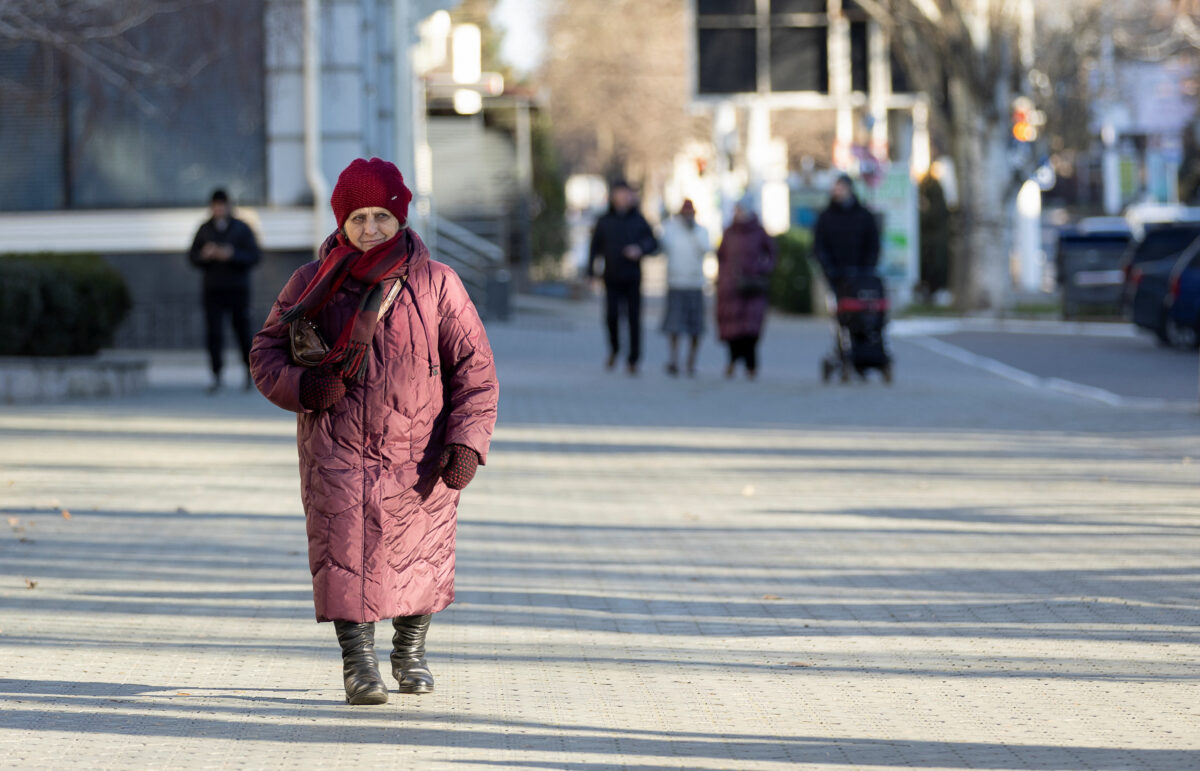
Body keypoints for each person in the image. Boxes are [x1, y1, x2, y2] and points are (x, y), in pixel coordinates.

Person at [249, 158, 498, 706]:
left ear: (400, 218)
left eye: (380, 217)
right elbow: (265, 354)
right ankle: (358, 666)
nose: (369, 229)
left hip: (419, 450)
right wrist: (305, 388)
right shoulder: (309, 283)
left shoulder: (436, 283)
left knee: (420, 553)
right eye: (357, 218)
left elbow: (475, 370)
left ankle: (410, 651)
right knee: (343, 553)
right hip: (335, 448)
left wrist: (465, 443)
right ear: (341, 222)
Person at [189, 189, 262, 393]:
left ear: (229, 206)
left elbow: (254, 256)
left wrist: (232, 255)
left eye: (222, 205)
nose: (219, 209)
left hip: (237, 289)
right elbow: (192, 257)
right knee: (214, 333)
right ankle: (216, 374)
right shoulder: (204, 229)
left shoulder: (241, 228)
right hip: (213, 289)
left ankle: (249, 373)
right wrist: (205, 255)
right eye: (216, 205)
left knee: (242, 332)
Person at [588, 180, 658, 375]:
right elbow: (594, 247)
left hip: (633, 277)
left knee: (634, 319)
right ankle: (614, 348)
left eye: (625, 194)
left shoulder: (638, 219)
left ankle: (633, 359)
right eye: (619, 193)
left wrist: (640, 249)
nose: (622, 197)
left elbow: (653, 242)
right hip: (611, 276)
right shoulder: (604, 220)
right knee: (611, 316)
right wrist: (590, 273)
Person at [715, 197, 777, 380]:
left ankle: (751, 365)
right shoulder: (729, 232)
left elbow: (772, 254)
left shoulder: (759, 232)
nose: (738, 213)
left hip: (753, 286)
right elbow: (721, 256)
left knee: (750, 329)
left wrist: (761, 269)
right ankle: (732, 361)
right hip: (731, 286)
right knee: (731, 328)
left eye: (740, 210)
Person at [659, 199, 710, 376]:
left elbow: (706, 249)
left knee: (695, 327)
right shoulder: (670, 230)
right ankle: (674, 359)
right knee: (674, 325)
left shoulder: (701, 231)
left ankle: (691, 361)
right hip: (676, 282)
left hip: (695, 283)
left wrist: (693, 231)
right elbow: (661, 247)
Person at [813, 174, 880, 285]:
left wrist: (867, 267)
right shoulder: (825, 217)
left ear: (849, 189)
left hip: (861, 275)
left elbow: (873, 243)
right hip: (834, 276)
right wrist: (829, 268)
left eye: (841, 188)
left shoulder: (864, 215)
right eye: (836, 189)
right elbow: (819, 245)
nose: (838, 192)